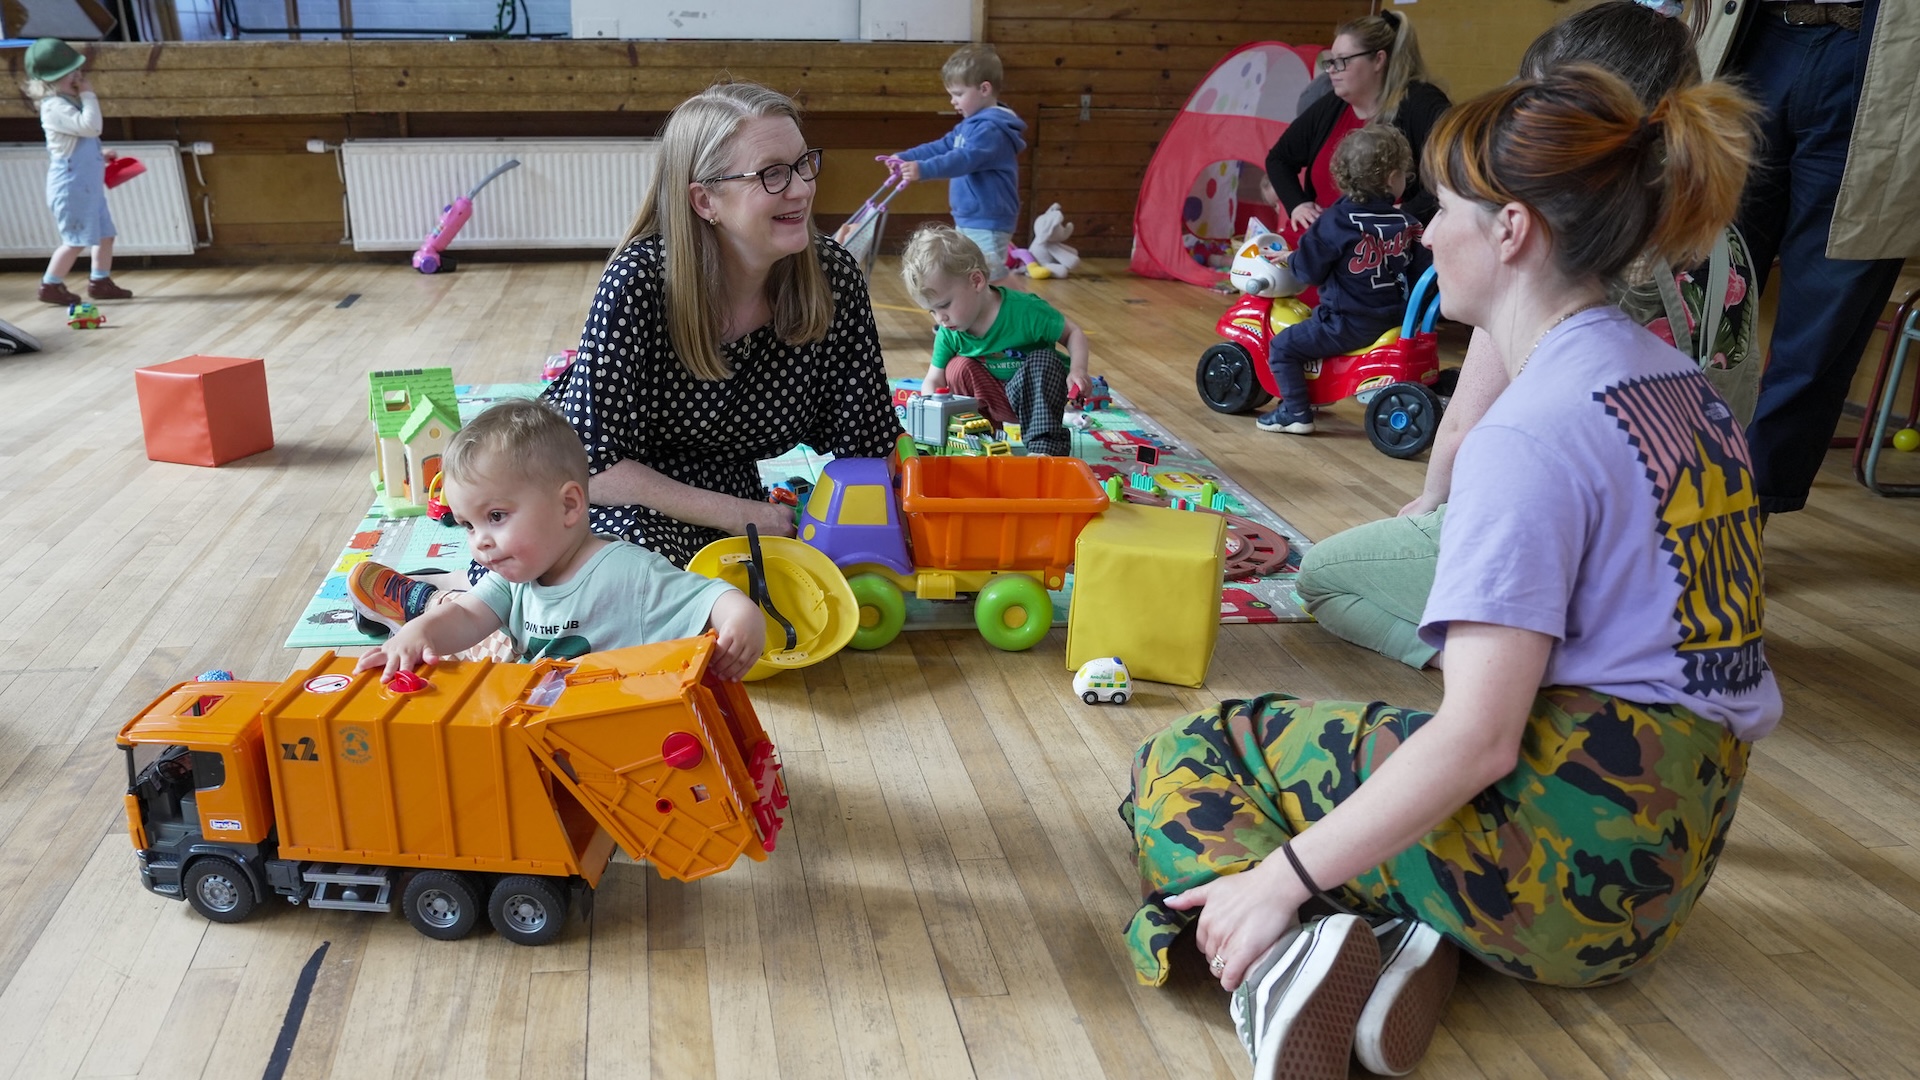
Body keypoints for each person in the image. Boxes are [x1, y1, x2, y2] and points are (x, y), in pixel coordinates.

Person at [1123, 66, 1776, 1080]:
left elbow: (1479, 739)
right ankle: (1398, 937)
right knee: (1395, 754)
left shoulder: (1533, 433)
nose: (1424, 234)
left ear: (1511, 229)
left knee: (1197, 754)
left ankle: (1276, 957)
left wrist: (1280, 878)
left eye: (1445, 211)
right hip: (1666, 869)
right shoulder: (1677, 383)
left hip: (1562, 870)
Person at [1295, 0, 1762, 669]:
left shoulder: (1553, 252)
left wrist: (1430, 509)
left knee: (1325, 576)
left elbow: (1466, 428)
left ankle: (1515, 667)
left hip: (1580, 564)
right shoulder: (1721, 235)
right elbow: (1737, 399)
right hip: (1694, 559)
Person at [542, 82, 900, 569]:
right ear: (704, 201)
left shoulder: (832, 275)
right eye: (772, 174)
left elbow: (870, 438)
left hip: (723, 484)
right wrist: (741, 515)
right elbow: (591, 466)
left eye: (802, 164)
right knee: (622, 572)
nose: (801, 188)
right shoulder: (639, 282)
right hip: (600, 488)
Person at [350, 399, 764, 682]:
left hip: (610, 728)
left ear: (568, 505)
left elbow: (710, 596)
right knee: (451, 660)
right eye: (468, 526)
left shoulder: (627, 572)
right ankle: (412, 612)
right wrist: (417, 636)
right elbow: (467, 618)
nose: (480, 543)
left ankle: (415, 601)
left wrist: (741, 618)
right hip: (539, 714)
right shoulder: (515, 579)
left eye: (496, 517)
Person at [1695, 0, 1915, 517]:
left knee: (1821, 325)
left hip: (1884, 63)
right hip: (1756, 40)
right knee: (1696, 294)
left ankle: (1749, 513)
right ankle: (1663, 483)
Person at [1256, 124, 1426, 436]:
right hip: (1395, 320)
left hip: (1345, 324)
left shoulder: (1335, 222)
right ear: (1391, 179)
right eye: (1404, 173)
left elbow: (1309, 272)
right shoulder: (1408, 222)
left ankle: (1295, 412)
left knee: (1282, 347)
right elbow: (1420, 272)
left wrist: (1293, 259)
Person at [901, 224, 1089, 456]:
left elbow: (1073, 333)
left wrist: (1078, 371)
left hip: (1036, 397)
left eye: (944, 306)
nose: (941, 318)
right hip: (990, 398)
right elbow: (933, 379)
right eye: (932, 312)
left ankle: (1044, 449)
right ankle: (979, 442)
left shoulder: (1026, 311)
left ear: (976, 281)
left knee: (1044, 360)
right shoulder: (950, 331)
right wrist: (930, 411)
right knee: (957, 367)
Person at [1264, 11, 1450, 234]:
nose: (1331, 70)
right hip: (1327, 247)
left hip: (1388, 252)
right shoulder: (1331, 105)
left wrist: (1408, 211)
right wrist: (1297, 205)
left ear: (1378, 60)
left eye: (1342, 61)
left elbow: (1453, 172)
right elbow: (1279, 159)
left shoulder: (1421, 104)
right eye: (1330, 61)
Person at [882, 44, 1028, 283]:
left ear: (984, 89)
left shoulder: (991, 130)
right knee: (979, 275)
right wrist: (906, 157)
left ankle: (1025, 314)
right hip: (971, 218)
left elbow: (963, 159)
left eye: (958, 94)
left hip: (988, 220)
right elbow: (942, 146)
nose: (952, 101)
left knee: (988, 277)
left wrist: (923, 169)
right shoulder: (970, 125)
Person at [22, 38, 132, 306]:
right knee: (74, 241)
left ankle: (100, 280)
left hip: (87, 186)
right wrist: (88, 94)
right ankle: (50, 284)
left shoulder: (67, 102)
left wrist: (100, 154)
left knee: (106, 234)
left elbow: (81, 138)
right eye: (74, 72)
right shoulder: (54, 107)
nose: (79, 75)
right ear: (57, 77)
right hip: (71, 187)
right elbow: (91, 127)